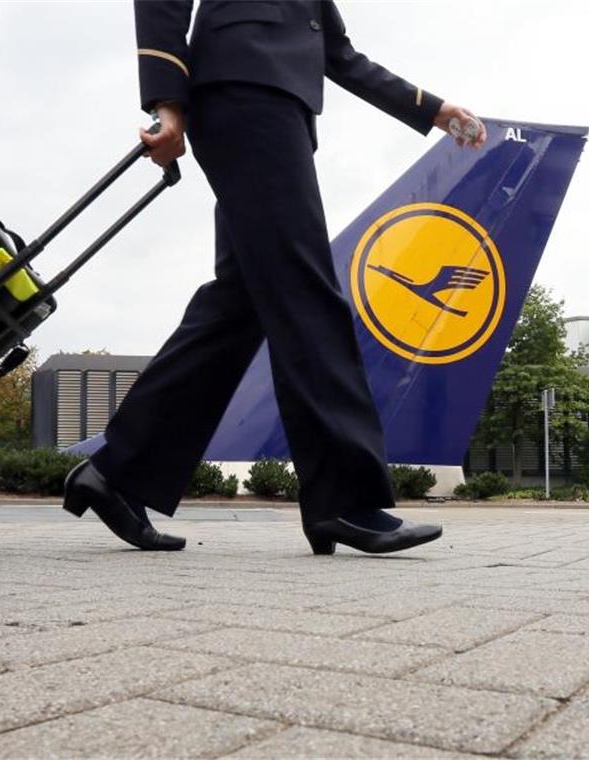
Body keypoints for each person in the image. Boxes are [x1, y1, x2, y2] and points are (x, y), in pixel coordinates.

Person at [62, 0, 486, 555]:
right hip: (243, 97)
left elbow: (338, 53)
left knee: (239, 305)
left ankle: (117, 471)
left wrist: (430, 108)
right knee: (306, 291)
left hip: (275, 110)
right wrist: (167, 102)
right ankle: (344, 499)